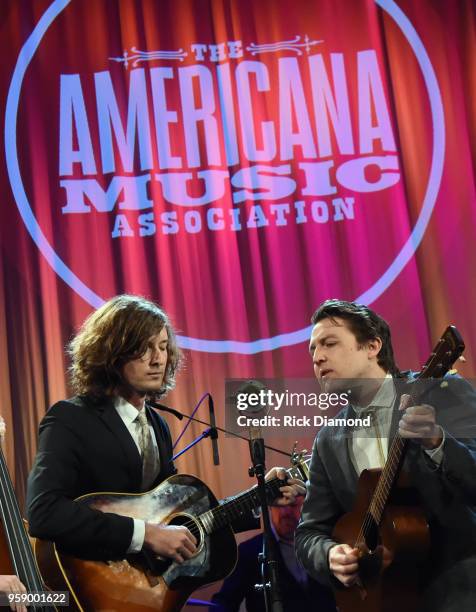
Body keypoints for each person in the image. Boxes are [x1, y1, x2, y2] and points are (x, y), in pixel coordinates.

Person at [26, 295, 305, 563]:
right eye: (144, 347)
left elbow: (179, 519)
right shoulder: (71, 418)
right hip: (86, 585)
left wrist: (260, 497)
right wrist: (144, 534)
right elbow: (44, 512)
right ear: (111, 351)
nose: (158, 359)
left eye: (162, 347)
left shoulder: (158, 425)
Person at [295, 299, 476, 612]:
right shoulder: (327, 440)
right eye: (312, 350)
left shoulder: (442, 391)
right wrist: (329, 556)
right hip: (383, 599)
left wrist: (437, 442)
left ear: (372, 346)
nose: (318, 357)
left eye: (329, 343)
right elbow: (309, 533)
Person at [210, 498, 336, 612]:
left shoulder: (324, 542)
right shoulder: (248, 552)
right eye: (279, 505)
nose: (285, 512)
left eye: (292, 505)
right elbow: (223, 602)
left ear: (305, 506)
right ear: (269, 508)